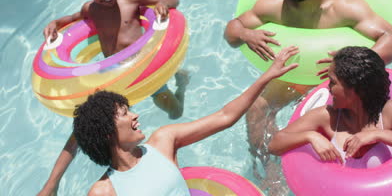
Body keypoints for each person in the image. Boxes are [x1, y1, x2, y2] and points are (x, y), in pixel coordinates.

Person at [223, 0, 392, 186]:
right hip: (295, 77)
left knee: (345, 125)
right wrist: (246, 34)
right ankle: (271, 174)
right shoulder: (275, 4)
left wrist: (347, 63)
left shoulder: (343, 7)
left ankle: (344, 177)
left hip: (336, 83)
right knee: (256, 108)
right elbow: (233, 30)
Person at [44, 46, 299, 196]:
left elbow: (225, 116)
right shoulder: (103, 191)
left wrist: (267, 76)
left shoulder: (163, 141)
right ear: (107, 132)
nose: (135, 115)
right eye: (124, 113)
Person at [37, 0, 188, 195]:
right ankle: (51, 185)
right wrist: (56, 23)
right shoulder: (91, 10)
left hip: (144, 74)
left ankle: (182, 85)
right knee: (80, 130)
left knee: (174, 111)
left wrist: (164, 4)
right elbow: (73, 19)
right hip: (114, 80)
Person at [268, 46, 392, 168]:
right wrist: (310, 136)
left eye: (333, 82)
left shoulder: (389, 113)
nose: (327, 87)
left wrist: (378, 134)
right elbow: (274, 145)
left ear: (355, 89)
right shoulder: (328, 117)